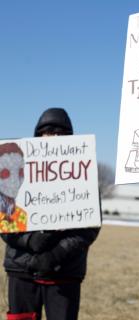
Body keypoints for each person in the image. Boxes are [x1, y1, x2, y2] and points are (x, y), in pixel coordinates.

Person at [1, 108, 100, 320]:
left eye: (60, 132)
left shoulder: (84, 174)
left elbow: (89, 227)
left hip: (64, 272)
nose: (54, 137)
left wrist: (55, 255)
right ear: (38, 135)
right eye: (48, 131)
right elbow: (4, 220)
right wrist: (30, 240)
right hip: (21, 268)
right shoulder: (15, 168)